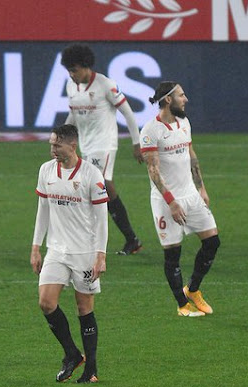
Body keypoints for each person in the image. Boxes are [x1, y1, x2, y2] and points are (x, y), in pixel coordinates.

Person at [30, 124, 109, 383]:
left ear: (72, 146)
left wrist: (101, 254)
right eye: (51, 144)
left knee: (84, 308)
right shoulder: (45, 170)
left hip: (85, 253)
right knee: (46, 302)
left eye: (57, 145)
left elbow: (101, 219)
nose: (52, 149)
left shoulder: (91, 174)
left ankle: (92, 369)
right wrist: (35, 246)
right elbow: (43, 209)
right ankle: (72, 354)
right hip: (56, 250)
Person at [139, 82, 221, 317]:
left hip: (191, 196)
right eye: (181, 95)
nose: (186, 99)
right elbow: (153, 171)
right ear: (168, 100)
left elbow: (191, 155)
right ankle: (182, 305)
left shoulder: (184, 123)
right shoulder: (151, 131)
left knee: (212, 242)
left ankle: (193, 290)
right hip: (166, 201)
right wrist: (171, 202)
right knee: (172, 254)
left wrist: (201, 188)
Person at [61, 43, 142, 256]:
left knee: (93, 187)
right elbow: (73, 116)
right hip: (86, 145)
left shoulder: (105, 84)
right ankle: (131, 239)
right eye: (69, 70)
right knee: (105, 189)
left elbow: (128, 113)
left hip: (104, 144)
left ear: (86, 66)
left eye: (75, 69)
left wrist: (137, 143)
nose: (71, 74)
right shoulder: (71, 87)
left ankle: (88, 241)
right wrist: (62, 137)